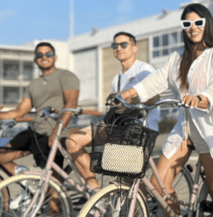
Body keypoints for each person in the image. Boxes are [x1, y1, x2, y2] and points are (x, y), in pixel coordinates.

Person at [118, 3, 213, 217]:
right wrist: (128, 94)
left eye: (198, 23)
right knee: (158, 185)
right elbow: (153, 83)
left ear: (207, 24)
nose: (193, 28)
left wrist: (202, 98)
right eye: (187, 24)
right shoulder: (176, 59)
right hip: (184, 130)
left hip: (212, 129)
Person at [0, 42, 80, 217]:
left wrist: (57, 131)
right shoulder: (34, 84)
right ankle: (28, 186)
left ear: (54, 57)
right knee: (0, 156)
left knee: (53, 187)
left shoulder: (66, 77)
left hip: (55, 135)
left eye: (48, 54)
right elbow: (20, 111)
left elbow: (71, 106)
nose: (44, 57)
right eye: (40, 54)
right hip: (34, 132)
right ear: (36, 59)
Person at [65, 31, 160, 193]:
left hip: (141, 128)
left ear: (135, 48)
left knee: (129, 182)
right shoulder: (117, 79)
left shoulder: (144, 69)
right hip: (117, 126)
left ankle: (139, 214)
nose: (119, 48)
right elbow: (117, 109)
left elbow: (154, 97)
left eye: (124, 44)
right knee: (72, 141)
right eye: (115, 45)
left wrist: (128, 97)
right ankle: (95, 193)